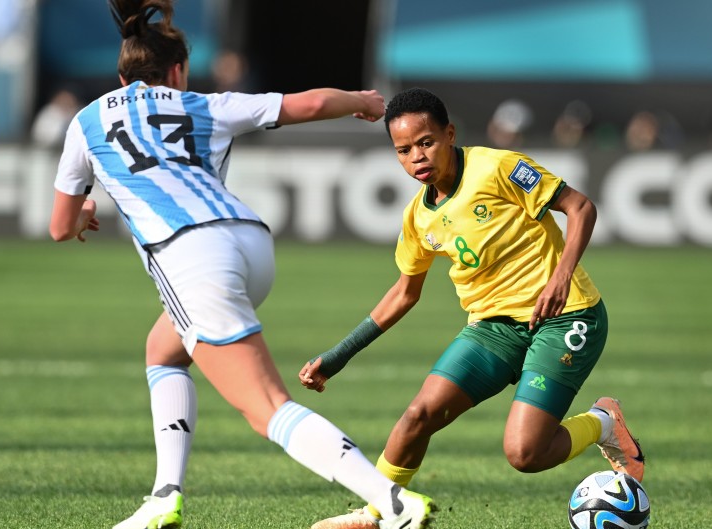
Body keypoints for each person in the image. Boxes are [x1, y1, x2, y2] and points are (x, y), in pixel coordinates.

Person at [47, 2, 436, 529]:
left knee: (267, 408)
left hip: (189, 255)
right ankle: (164, 495)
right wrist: (363, 101)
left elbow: (59, 226)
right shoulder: (204, 104)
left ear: (121, 77)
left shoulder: (87, 120)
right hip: (249, 243)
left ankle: (392, 504)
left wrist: (85, 212)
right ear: (179, 71)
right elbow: (311, 102)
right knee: (163, 350)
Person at [298, 87, 645, 529]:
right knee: (416, 416)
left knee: (525, 454)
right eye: (403, 150)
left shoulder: (498, 167)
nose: (417, 157)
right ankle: (377, 513)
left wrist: (560, 276)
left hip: (565, 316)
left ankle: (604, 422)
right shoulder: (418, 217)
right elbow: (405, 293)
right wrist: (338, 356)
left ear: (449, 134)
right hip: (492, 328)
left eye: (426, 142)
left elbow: (580, 208)